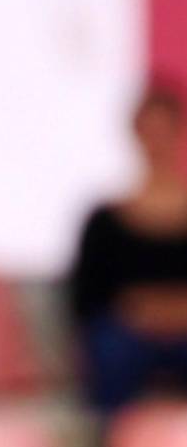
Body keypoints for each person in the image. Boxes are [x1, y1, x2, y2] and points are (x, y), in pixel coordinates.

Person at [68, 81, 187, 420]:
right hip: (129, 336)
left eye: (165, 131)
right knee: (110, 349)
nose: (157, 142)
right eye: (149, 131)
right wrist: (140, 313)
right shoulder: (104, 221)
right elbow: (88, 299)